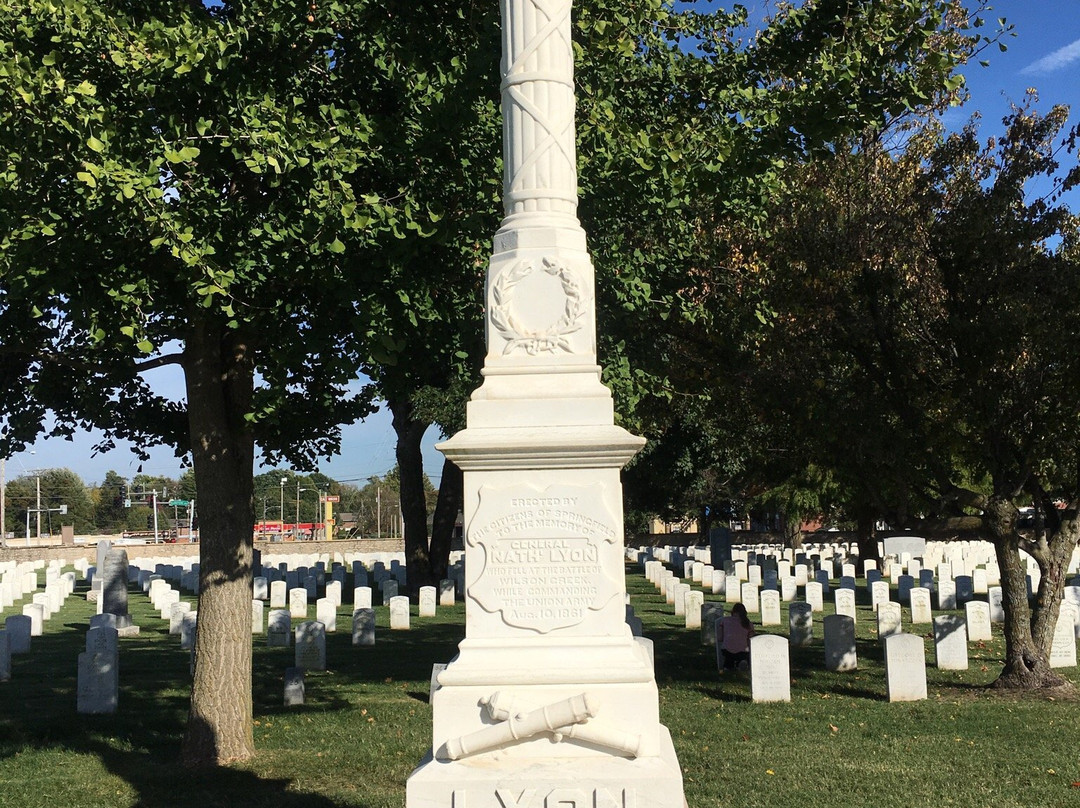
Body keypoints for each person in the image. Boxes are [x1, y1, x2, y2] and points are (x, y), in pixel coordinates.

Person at [715, 602, 755, 672]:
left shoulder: (724, 621)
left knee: (729, 658)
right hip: (743, 650)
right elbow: (751, 640)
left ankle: (728, 667)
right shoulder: (748, 624)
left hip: (727, 649)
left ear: (733, 611)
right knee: (742, 655)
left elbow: (720, 638)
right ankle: (741, 663)